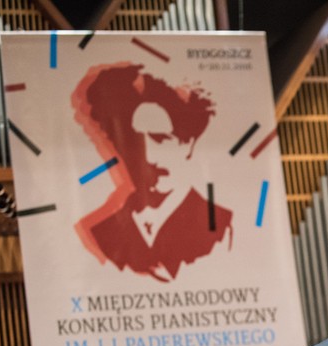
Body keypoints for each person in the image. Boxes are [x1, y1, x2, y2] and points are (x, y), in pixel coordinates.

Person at [71, 63, 233, 281]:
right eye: (136, 142)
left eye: (161, 139)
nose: (149, 157)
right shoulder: (101, 235)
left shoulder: (222, 228)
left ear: (188, 144)